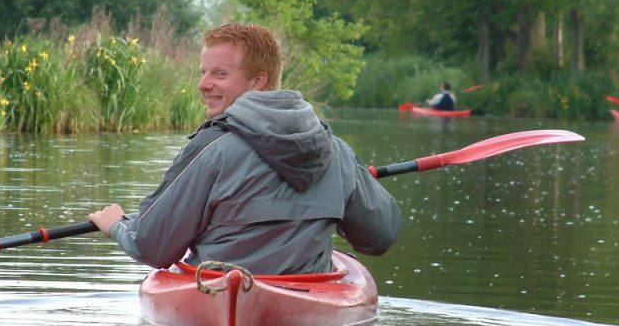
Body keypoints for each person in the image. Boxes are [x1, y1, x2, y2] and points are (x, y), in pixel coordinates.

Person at [88, 23, 402, 275]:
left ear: (258, 81)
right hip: (307, 296)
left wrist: (118, 225)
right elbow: (379, 236)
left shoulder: (211, 147)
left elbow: (152, 247)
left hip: (218, 290)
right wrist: (345, 191)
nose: (203, 84)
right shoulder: (336, 152)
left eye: (219, 74)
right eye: (203, 72)